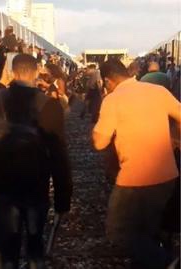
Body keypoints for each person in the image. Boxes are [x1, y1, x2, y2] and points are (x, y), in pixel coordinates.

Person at [0, 54, 72, 269]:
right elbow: (59, 154)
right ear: (35, 72)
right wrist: (63, 197)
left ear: (13, 72)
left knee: (7, 250)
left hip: (3, 187)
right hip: (35, 187)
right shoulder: (50, 105)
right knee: (35, 244)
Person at [92, 59, 180, 269]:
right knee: (148, 229)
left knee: (118, 230)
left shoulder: (113, 100)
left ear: (107, 81)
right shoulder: (157, 91)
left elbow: (99, 142)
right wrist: (175, 138)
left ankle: (167, 261)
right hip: (167, 174)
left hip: (134, 179)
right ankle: (154, 260)